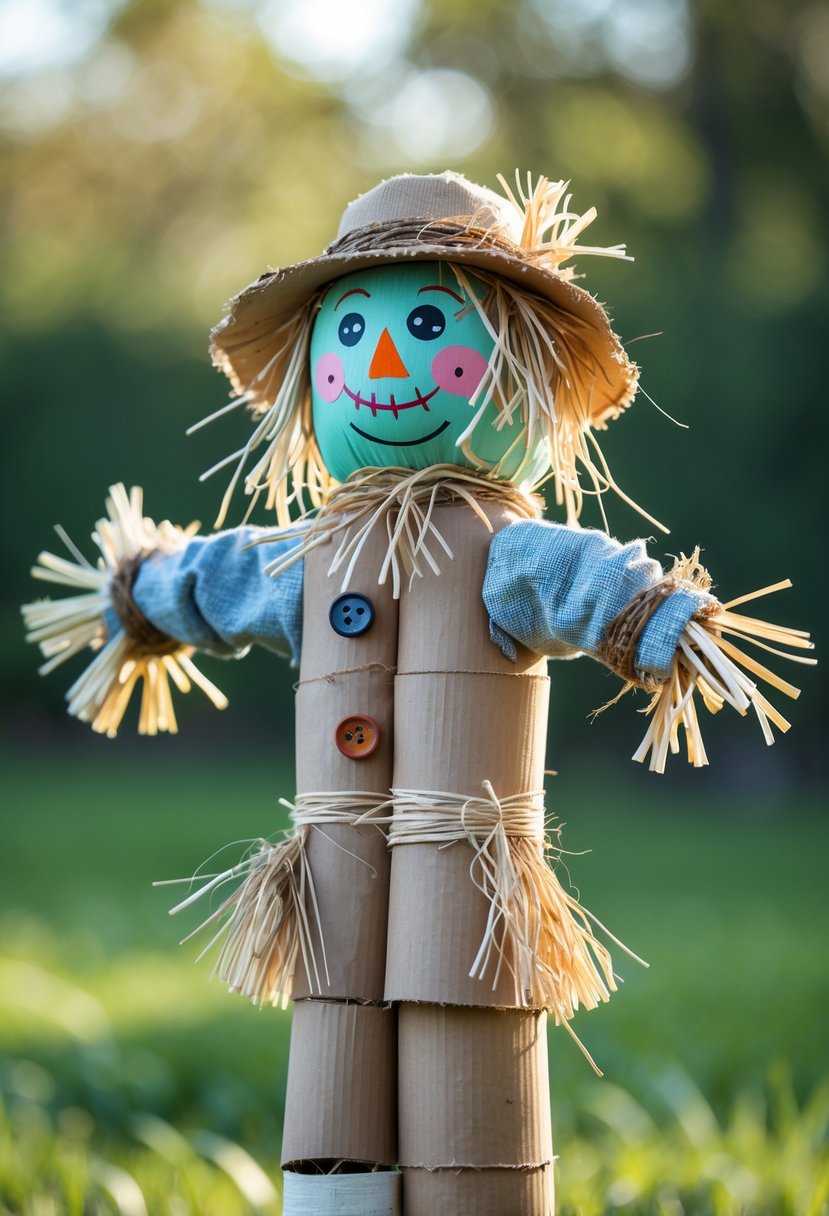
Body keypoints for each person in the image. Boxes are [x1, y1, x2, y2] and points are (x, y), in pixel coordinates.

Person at [25, 171, 812, 1216]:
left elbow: (593, 582)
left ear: (520, 365)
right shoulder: (308, 552)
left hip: (469, 876)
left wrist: (664, 622)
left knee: (466, 1047)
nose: (382, 362)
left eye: (427, 324)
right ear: (312, 374)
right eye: (349, 333)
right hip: (334, 872)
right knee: (335, 1053)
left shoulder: (502, 548)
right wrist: (137, 594)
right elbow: (212, 580)